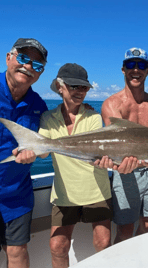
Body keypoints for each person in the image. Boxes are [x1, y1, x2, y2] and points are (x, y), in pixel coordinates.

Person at [15, 63, 113, 268]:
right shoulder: (48, 118)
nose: (79, 92)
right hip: (64, 194)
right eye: (73, 86)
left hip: (96, 190)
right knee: (57, 246)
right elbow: (44, 151)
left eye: (84, 88)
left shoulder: (93, 117)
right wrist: (30, 152)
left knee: (103, 243)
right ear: (60, 86)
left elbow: (92, 151)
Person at [101, 47, 148, 243]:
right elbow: (116, 143)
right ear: (123, 69)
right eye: (131, 64)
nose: (136, 70)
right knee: (124, 229)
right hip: (125, 172)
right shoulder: (112, 104)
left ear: (147, 70)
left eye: (142, 65)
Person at [0, 38, 48, 268]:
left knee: (18, 251)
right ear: (9, 57)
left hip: (17, 194)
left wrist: (36, 152)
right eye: (23, 58)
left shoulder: (39, 104)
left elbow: (46, 148)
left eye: (37, 66)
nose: (28, 67)